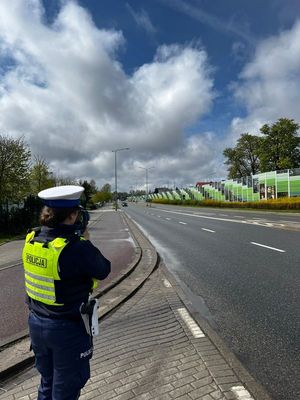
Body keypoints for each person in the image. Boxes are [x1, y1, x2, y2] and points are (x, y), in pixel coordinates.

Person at [22, 185, 111, 400]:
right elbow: (103, 270)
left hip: (36, 324)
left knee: (47, 383)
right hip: (66, 330)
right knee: (66, 390)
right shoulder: (76, 247)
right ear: (72, 215)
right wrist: (86, 240)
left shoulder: (32, 239)